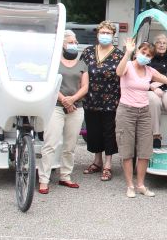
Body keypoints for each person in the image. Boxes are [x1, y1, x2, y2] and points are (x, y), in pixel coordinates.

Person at [115, 37, 167, 198]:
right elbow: (119, 72)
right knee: (127, 149)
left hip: (144, 112)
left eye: (148, 55)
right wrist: (127, 52)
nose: (145, 56)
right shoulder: (127, 65)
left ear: (151, 58)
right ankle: (130, 186)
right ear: (137, 52)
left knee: (145, 150)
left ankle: (140, 184)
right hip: (126, 111)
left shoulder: (150, 71)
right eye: (143, 52)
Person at [37, 31, 89, 194]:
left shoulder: (82, 64)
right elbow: (51, 84)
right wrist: (65, 101)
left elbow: (85, 86)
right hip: (56, 107)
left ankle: (65, 176)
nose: (74, 44)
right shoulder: (53, 63)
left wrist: (72, 100)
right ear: (62, 44)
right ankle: (43, 179)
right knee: (50, 144)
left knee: (70, 145)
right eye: (70, 42)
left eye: (75, 41)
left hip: (76, 108)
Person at [82, 21, 123, 182]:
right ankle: (96, 161)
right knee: (93, 131)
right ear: (97, 34)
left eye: (108, 33)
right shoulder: (88, 52)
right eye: (102, 32)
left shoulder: (119, 55)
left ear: (113, 36)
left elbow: (123, 77)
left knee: (109, 132)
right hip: (91, 98)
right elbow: (82, 73)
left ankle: (107, 165)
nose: (104, 35)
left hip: (111, 100)